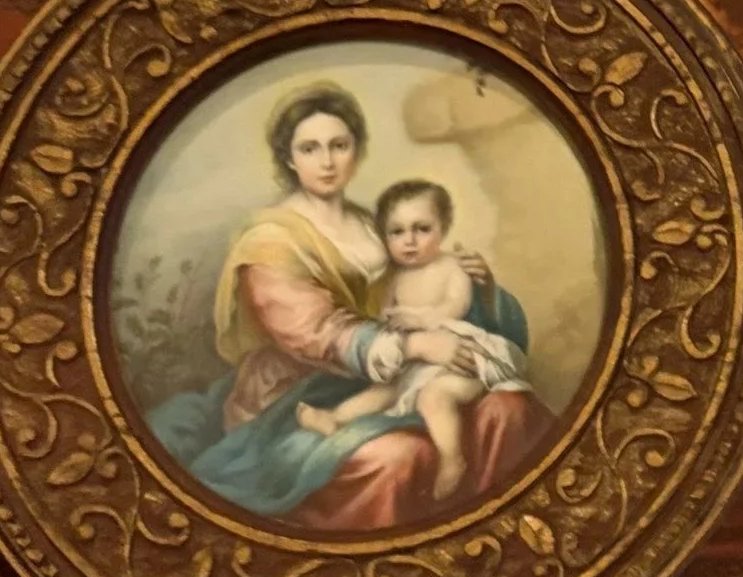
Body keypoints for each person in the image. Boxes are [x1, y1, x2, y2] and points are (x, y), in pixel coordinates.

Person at [142, 81, 551, 531]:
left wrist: (479, 287)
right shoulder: (270, 242)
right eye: (310, 148)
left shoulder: (379, 225)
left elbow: (431, 293)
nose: (328, 161)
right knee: (398, 458)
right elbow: (315, 331)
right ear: (289, 158)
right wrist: (414, 345)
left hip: (398, 376)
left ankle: (490, 542)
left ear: (357, 150)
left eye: (339, 145)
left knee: (509, 409)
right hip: (297, 395)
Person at [298, 179, 528, 504]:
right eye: (397, 232)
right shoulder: (393, 279)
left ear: (443, 228)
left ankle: (452, 459)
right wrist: (389, 329)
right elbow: (381, 319)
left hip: (460, 360)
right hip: (418, 361)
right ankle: (333, 418)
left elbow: (456, 307)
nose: (410, 240)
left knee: (434, 397)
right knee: (383, 390)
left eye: (422, 229)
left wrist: (420, 319)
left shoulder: (452, 266)